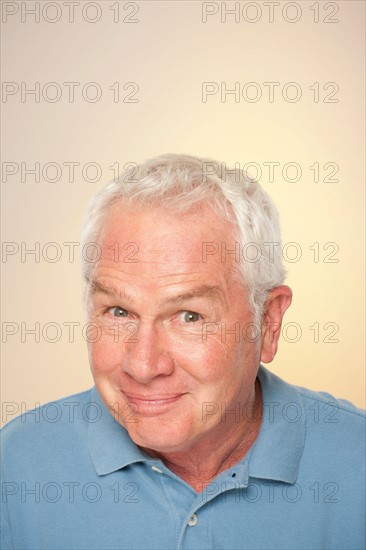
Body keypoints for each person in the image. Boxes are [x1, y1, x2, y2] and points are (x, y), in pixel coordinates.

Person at [1, 154, 365, 550]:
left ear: (269, 322)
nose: (143, 365)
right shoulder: (16, 466)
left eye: (189, 316)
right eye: (118, 311)